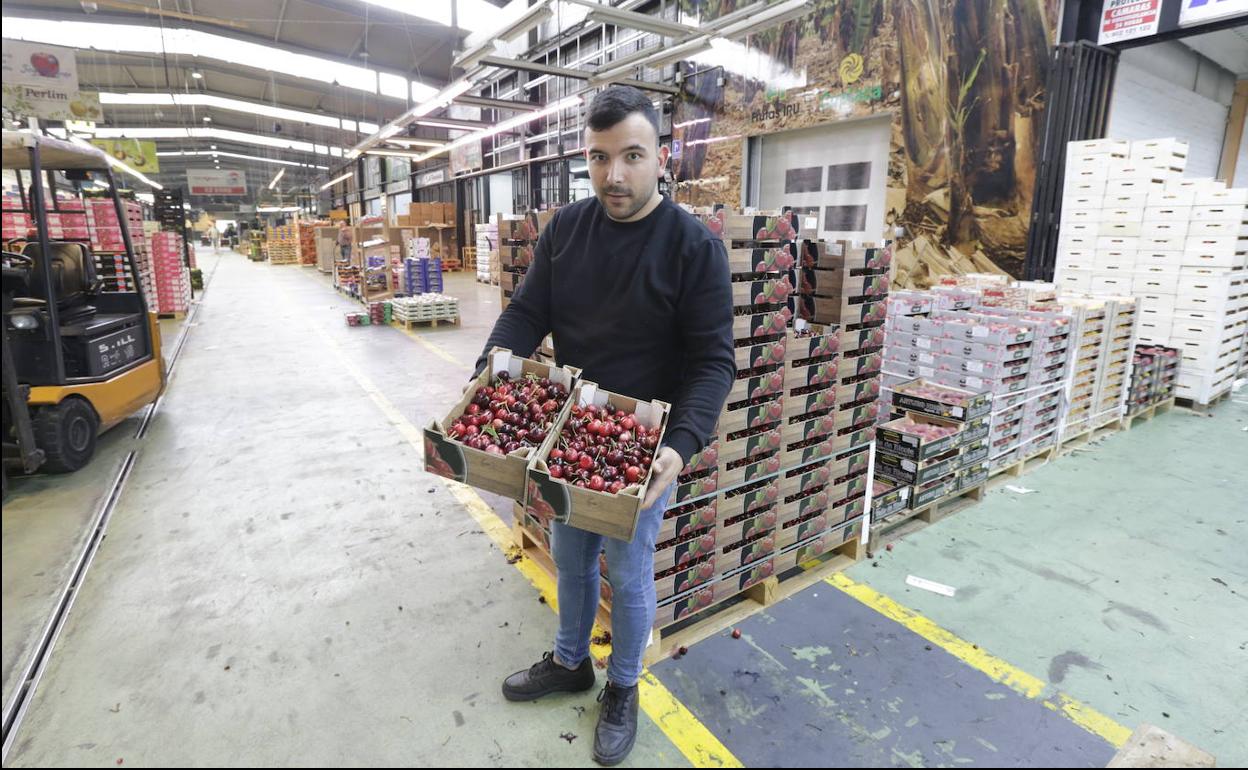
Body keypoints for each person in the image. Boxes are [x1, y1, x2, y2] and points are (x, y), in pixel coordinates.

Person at [472, 85, 735, 766]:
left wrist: (680, 446)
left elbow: (712, 362)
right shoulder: (566, 230)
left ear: (660, 156)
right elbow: (530, 312)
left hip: (645, 448)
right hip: (573, 434)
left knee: (628, 565)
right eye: (598, 158)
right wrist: (491, 365)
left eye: (631, 156)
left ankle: (623, 685)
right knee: (569, 553)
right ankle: (571, 662)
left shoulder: (693, 249)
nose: (613, 175)